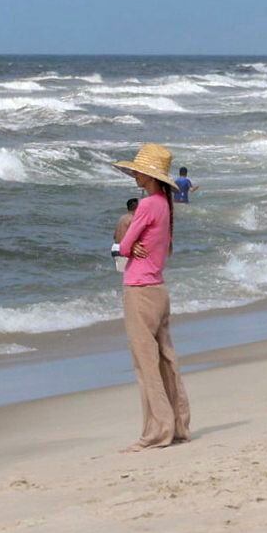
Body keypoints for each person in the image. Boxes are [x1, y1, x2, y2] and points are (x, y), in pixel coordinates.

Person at [115, 144, 190, 449]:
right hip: (158, 288)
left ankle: (157, 430)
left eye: (138, 171)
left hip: (140, 289)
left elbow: (123, 246)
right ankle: (178, 424)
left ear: (149, 176)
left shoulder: (146, 206)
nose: (134, 174)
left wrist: (129, 245)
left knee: (146, 366)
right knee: (166, 361)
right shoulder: (165, 206)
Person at [111, 197, 138, 273]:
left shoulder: (122, 218)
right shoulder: (133, 219)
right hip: (123, 249)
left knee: (122, 273)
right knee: (127, 275)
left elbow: (115, 236)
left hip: (115, 248)